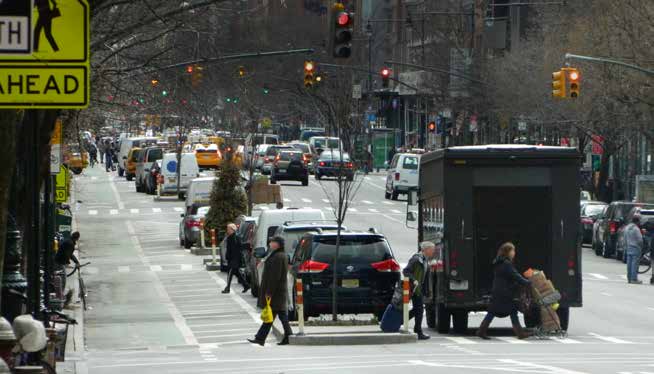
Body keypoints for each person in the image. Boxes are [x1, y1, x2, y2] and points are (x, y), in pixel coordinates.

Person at [476, 242, 531, 340]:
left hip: (498, 291)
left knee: (493, 312)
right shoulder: (506, 264)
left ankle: (481, 331)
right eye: (513, 250)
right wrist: (527, 282)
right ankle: (520, 333)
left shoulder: (499, 262)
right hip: (504, 292)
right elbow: (515, 275)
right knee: (512, 310)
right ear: (508, 252)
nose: (514, 253)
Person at [248, 236, 293, 346]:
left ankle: (261, 338)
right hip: (278, 291)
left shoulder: (278, 257)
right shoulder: (278, 255)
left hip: (276, 292)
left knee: (274, 315)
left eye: (272, 242)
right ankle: (264, 337)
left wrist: (269, 292)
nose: (270, 243)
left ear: (277, 244)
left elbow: (275, 277)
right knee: (277, 315)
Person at [403, 240, 438, 340]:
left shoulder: (424, 259)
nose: (433, 252)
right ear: (426, 250)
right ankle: (417, 330)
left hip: (419, 289)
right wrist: (414, 280)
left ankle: (406, 322)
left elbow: (424, 277)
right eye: (432, 250)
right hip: (414, 289)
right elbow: (406, 271)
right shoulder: (416, 259)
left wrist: (426, 290)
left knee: (418, 310)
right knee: (419, 310)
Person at [222, 223, 250, 294]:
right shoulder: (230, 237)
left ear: (232, 229)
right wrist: (227, 257)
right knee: (237, 273)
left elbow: (239, 247)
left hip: (235, 259)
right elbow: (229, 249)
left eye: (228, 229)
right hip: (232, 259)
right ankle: (246, 285)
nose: (227, 230)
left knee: (230, 272)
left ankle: (227, 288)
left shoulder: (236, 237)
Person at [624, 215, 644, 284]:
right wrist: (641, 246)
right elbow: (640, 239)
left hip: (629, 247)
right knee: (635, 264)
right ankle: (634, 279)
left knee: (629, 264)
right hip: (636, 247)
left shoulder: (627, 227)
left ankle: (629, 278)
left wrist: (626, 246)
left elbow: (625, 238)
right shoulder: (636, 229)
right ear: (637, 221)